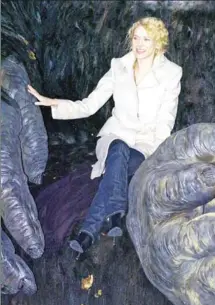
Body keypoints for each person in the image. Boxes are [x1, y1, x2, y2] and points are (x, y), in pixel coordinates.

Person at [28, 17, 183, 256]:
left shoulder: (172, 74)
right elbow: (89, 105)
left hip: (146, 142)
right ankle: (116, 213)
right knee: (118, 149)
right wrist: (54, 103)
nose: (139, 44)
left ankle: (88, 232)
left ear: (158, 44)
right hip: (115, 135)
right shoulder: (118, 67)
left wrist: (157, 157)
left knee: (116, 171)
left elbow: (166, 121)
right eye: (136, 37)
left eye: (146, 39)